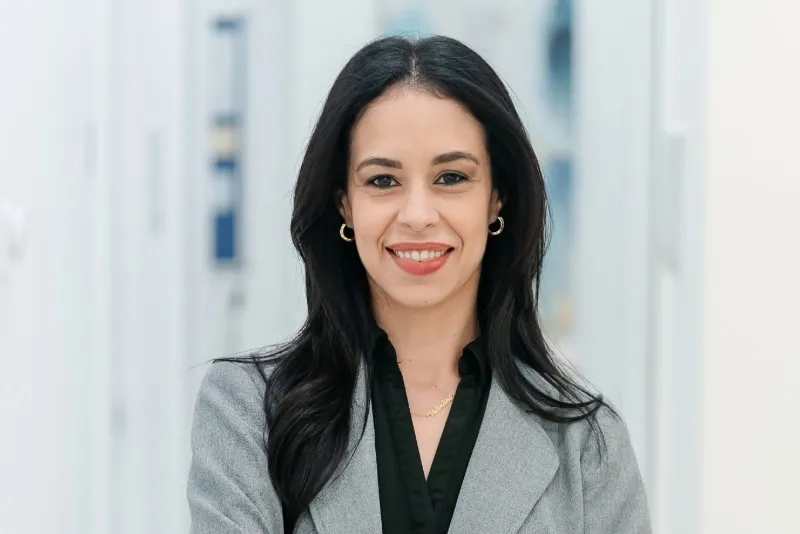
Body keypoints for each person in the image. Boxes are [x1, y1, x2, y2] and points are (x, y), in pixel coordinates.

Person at [187, 35, 651, 534]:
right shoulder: (247, 409)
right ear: (345, 204)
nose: (417, 215)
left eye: (451, 177)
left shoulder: (587, 443)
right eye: (383, 181)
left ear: (497, 199)